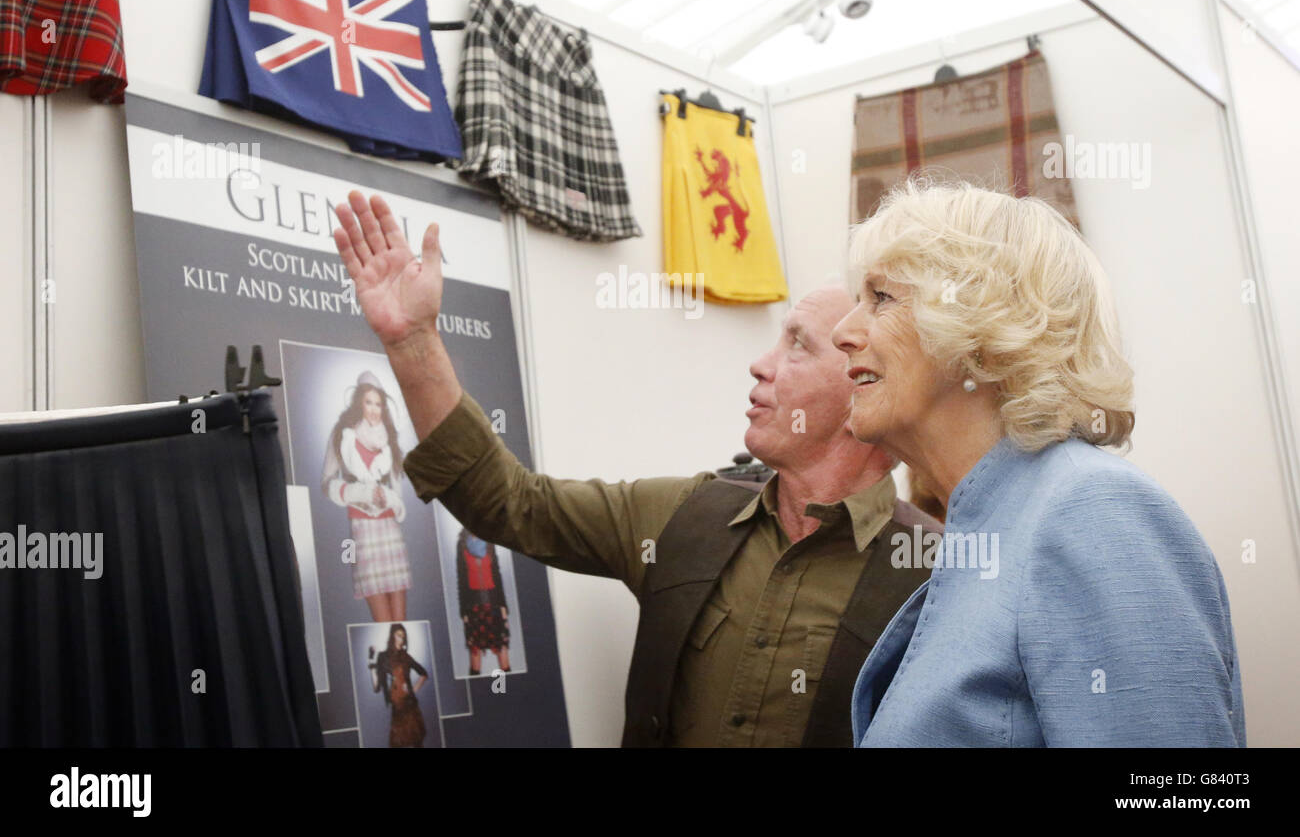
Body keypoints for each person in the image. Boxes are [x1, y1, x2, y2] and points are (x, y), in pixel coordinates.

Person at [331, 190, 941, 747]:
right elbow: (507, 501)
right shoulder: (683, 517)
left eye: (798, 345)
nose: (760, 364)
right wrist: (413, 341)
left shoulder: (935, 575)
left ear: (864, 383)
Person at [830, 179, 1245, 747]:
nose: (843, 331)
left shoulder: (1093, 511)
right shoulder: (998, 521)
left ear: (982, 330)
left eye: (881, 298)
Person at [322, 372, 411, 621]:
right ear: (359, 403)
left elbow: (398, 492)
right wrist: (358, 492)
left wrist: (391, 500)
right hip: (363, 528)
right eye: (368, 402)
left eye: (378, 403)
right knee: (384, 626)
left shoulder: (390, 438)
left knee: (400, 625)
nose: (374, 409)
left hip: (390, 529)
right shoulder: (342, 435)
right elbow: (327, 483)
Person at [456, 528, 511, 674]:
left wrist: (503, 605)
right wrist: (463, 610)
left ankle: (503, 690)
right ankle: (478, 689)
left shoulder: (490, 542)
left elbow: (496, 574)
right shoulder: (461, 544)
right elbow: (461, 580)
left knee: (502, 649)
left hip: (493, 603)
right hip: (473, 606)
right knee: (475, 651)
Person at [369, 623, 428, 748]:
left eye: (403, 636)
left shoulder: (406, 656)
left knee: (417, 741)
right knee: (397, 743)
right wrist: (371, 664)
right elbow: (376, 687)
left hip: (410, 703)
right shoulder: (383, 657)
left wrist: (413, 689)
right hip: (397, 706)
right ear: (392, 636)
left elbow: (423, 673)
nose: (402, 638)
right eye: (399, 635)